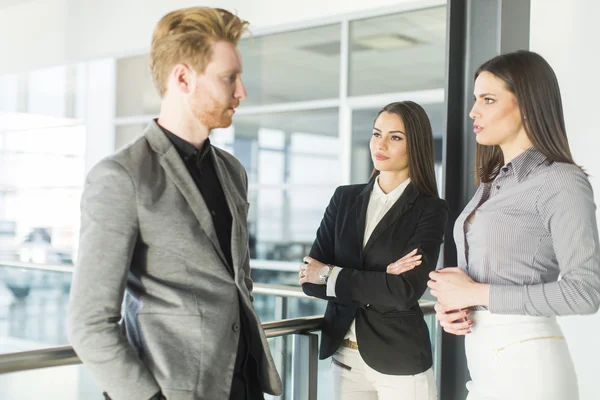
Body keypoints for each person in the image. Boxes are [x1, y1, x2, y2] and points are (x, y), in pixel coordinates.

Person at [67, 7, 282, 400]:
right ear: (183, 77)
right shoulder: (122, 176)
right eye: (228, 77)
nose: (241, 92)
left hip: (243, 386)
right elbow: (89, 323)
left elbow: (238, 282)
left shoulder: (232, 171)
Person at [426, 50, 600, 400]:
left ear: (528, 104)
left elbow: (585, 293)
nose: (474, 111)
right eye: (476, 100)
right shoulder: (493, 182)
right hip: (484, 361)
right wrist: (456, 306)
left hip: (529, 367)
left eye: (488, 100)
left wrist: (475, 294)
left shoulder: (560, 181)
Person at [300, 101, 448, 400]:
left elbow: (404, 291)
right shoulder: (344, 198)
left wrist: (330, 273)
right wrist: (382, 276)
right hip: (344, 360)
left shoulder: (430, 209)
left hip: (400, 360)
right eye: (376, 133)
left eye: (395, 137)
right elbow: (308, 281)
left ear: (415, 145)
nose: (380, 144)